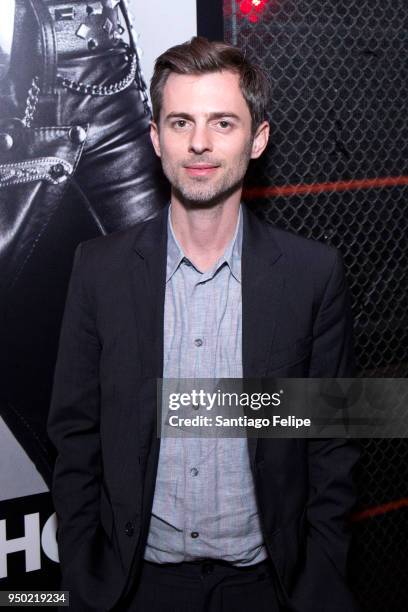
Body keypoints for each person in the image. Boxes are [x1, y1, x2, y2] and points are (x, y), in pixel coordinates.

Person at [48, 36, 360, 612]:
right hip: (135, 588)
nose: (198, 142)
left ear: (258, 139)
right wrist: (84, 574)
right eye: (180, 122)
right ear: (154, 139)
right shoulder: (99, 270)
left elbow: (332, 443)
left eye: (223, 123)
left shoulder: (313, 275)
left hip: (271, 589)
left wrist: (321, 577)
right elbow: (74, 433)